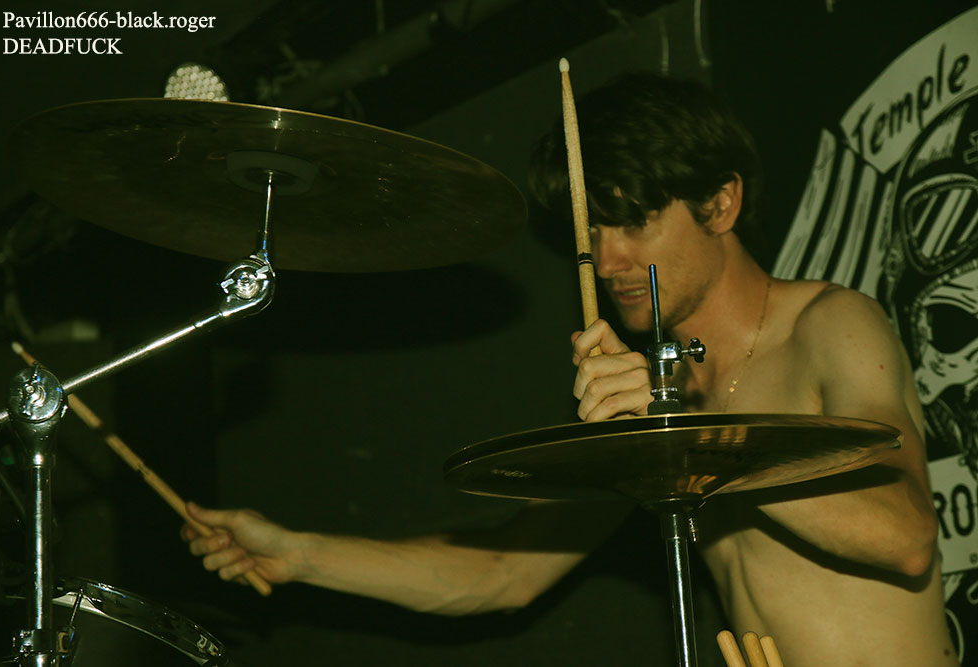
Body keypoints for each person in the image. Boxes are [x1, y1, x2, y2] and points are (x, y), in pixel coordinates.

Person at [183, 72, 956, 666]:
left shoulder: (832, 324)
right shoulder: (653, 392)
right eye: (592, 231)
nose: (609, 260)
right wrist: (298, 554)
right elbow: (503, 572)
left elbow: (906, 538)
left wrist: (683, 431)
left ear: (721, 204)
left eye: (634, 221)